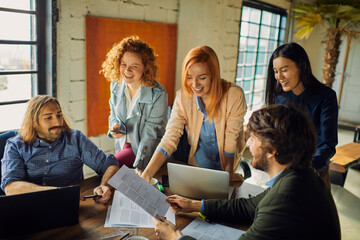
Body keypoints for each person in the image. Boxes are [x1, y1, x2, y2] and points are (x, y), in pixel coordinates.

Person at [153, 104, 341, 240]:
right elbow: (248, 207)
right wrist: (194, 205)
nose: (248, 144)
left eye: (252, 138)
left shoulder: (287, 197)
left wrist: (174, 237)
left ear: (272, 149)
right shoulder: (298, 176)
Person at [141, 46, 247, 182]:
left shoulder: (234, 95)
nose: (194, 84)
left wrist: (228, 176)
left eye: (202, 78)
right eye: (189, 77)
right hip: (198, 164)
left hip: (227, 162)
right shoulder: (182, 97)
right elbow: (170, 137)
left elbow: (231, 139)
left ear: (214, 75)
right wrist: (147, 174)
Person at [1, 95, 119, 204]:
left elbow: (109, 165)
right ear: (34, 123)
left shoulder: (75, 138)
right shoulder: (15, 145)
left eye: (59, 115)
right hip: (30, 206)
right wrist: (59, 192)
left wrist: (105, 186)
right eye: (48, 118)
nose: (57, 122)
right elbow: (11, 187)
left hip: (71, 207)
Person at [265, 42, 338, 188]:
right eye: (275, 71)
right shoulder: (279, 97)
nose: (279, 76)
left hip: (313, 170)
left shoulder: (326, 96)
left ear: (302, 66)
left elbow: (327, 143)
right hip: (282, 170)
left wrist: (308, 167)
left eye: (284, 69)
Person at [100, 36, 168, 171]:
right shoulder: (116, 84)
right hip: (123, 146)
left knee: (107, 168)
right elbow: (113, 114)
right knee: (107, 170)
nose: (127, 71)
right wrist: (114, 127)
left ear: (146, 68)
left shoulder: (159, 95)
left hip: (145, 152)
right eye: (123, 64)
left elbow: (150, 137)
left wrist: (141, 166)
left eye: (134, 66)